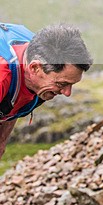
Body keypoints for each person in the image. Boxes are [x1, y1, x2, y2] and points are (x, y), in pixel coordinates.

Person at [0, 23, 93, 159]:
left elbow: (13, 101)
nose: (67, 93)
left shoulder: (41, 55)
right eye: (62, 84)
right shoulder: (3, 76)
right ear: (35, 68)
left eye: (71, 84)